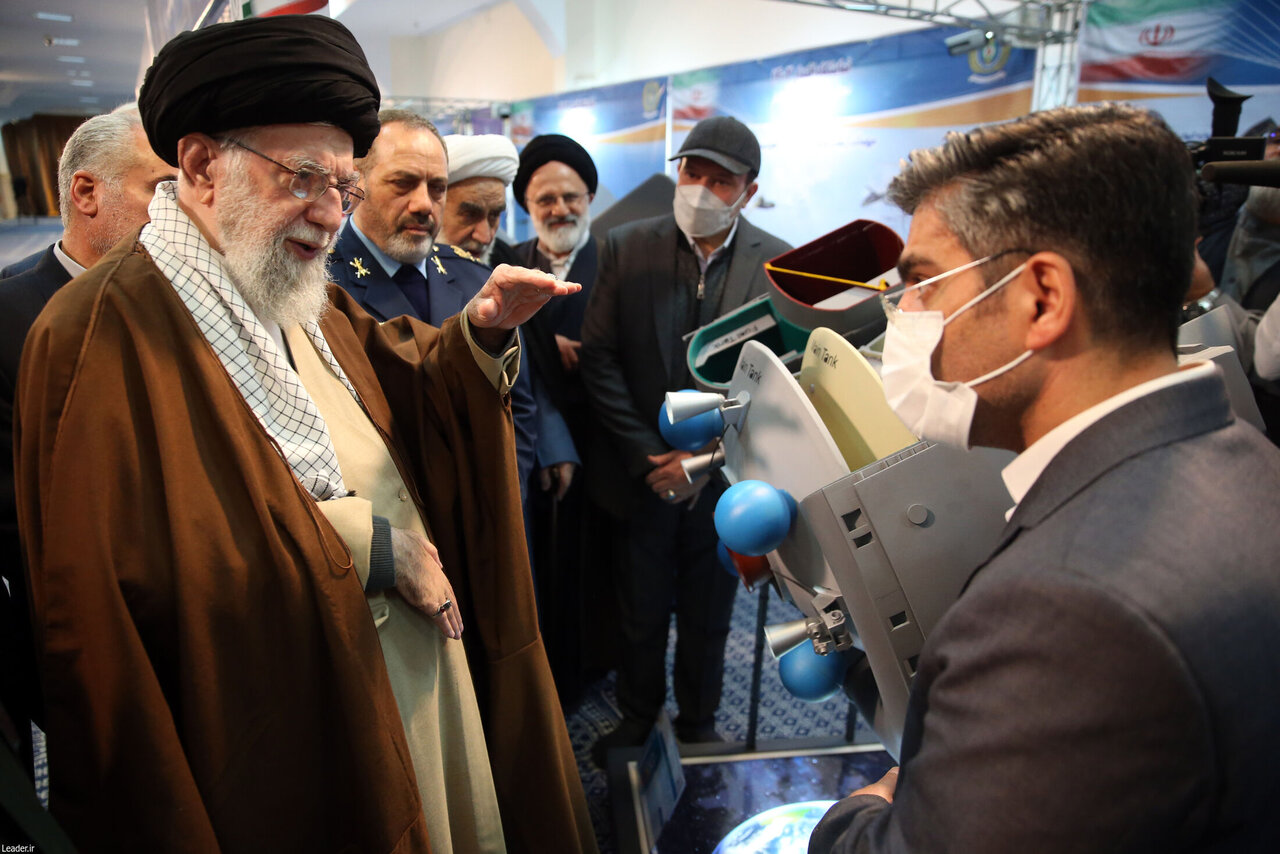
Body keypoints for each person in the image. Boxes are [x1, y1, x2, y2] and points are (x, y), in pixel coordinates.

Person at [16, 15, 594, 854]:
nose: (330, 216)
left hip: (407, 683)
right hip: (280, 729)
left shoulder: (292, 285)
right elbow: (124, 592)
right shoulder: (94, 333)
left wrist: (477, 335)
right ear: (202, 166)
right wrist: (371, 548)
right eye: (304, 179)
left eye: (344, 188)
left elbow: (400, 383)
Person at [809, 103, 1280, 853]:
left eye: (923, 284)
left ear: (1043, 300)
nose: (905, 315)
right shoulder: (1248, 459)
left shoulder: (1061, 611)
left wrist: (862, 811)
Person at [580, 115, 791, 761]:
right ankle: (637, 718)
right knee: (639, 610)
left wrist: (701, 461)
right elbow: (599, 357)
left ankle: (699, 721)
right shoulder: (626, 245)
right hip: (641, 472)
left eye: (718, 181)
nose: (698, 189)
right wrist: (650, 455)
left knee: (709, 613)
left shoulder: (777, 264)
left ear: (748, 193)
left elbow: (778, 382)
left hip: (725, 481)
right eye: (690, 172)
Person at [0, 106, 175, 783]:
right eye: (161, 189)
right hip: (83, 640)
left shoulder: (192, 308)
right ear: (86, 192)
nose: (182, 214)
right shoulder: (11, 317)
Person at [329, 115, 537, 497]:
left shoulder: (476, 280)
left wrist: (507, 497)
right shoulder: (322, 286)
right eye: (403, 183)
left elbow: (517, 408)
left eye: (437, 188)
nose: (424, 204)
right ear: (358, 181)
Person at [0, 105, 174, 280]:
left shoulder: (172, 286)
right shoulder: (12, 293)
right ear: (86, 193)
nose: (179, 208)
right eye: (162, 188)